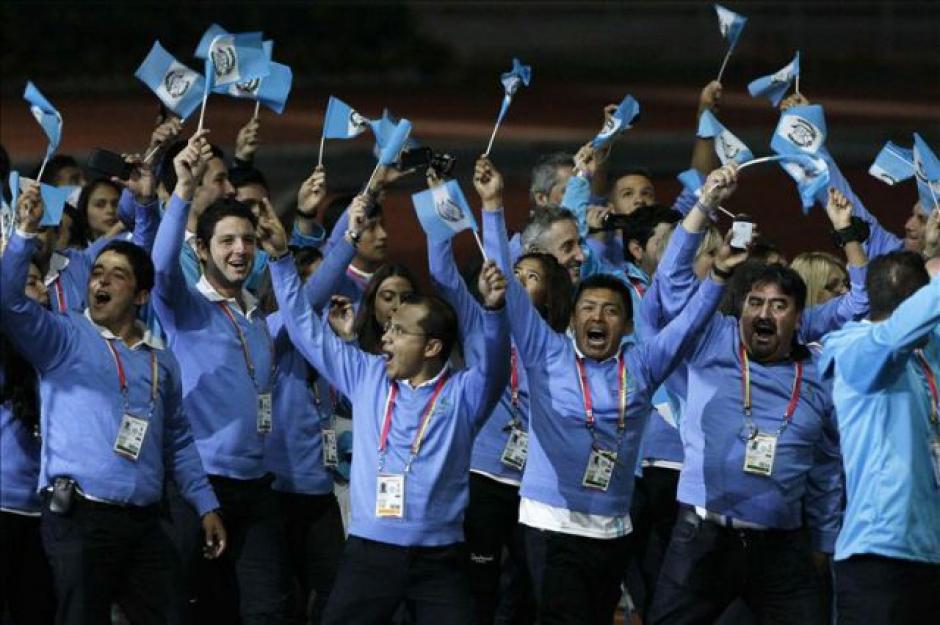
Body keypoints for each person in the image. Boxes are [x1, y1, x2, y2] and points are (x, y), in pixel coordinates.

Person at [478, 156, 741, 625]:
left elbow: (687, 325)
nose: (597, 317)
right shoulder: (546, 350)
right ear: (573, 316)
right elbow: (509, 285)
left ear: (626, 324)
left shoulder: (642, 363)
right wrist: (493, 205)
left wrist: (717, 276)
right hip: (551, 525)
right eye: (588, 308)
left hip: (614, 529)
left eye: (611, 310)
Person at [261, 194, 511, 624]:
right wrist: (282, 260)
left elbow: (497, 363)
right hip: (370, 554)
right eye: (388, 328)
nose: (386, 338)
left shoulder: (465, 393)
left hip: (439, 559)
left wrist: (495, 310)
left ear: (431, 347)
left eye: (400, 331)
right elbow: (304, 328)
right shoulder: (367, 374)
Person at [1, 182, 225, 625]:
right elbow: (8, 302)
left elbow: (178, 440)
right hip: (79, 518)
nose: (100, 280)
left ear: (141, 296)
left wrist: (206, 504)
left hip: (143, 521)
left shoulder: (162, 360)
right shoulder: (62, 336)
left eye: (117, 275)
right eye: (97, 271)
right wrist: (24, 234)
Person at [646, 166, 844, 625]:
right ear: (740, 310)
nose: (764, 314)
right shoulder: (713, 338)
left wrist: (823, 541)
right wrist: (705, 204)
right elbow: (671, 283)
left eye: (778, 305)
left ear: (798, 317)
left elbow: (827, 468)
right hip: (703, 536)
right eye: (755, 303)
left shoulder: (818, 374)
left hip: (783, 545)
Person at [151, 131, 293, 623]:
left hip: (255, 487)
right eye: (227, 241)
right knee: (180, 607)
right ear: (203, 249)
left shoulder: (256, 318)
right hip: (195, 484)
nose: (240, 250)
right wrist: (183, 192)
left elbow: (307, 304)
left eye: (248, 241)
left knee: (265, 609)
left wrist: (288, 254)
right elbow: (160, 269)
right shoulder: (185, 309)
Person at [426, 169, 574, 625]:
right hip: (482, 477)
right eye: (516, 272)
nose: (517, 280)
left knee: (529, 594)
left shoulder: (559, 345)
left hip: (535, 488)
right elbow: (441, 271)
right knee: (480, 588)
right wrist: (437, 204)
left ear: (549, 293)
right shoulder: (478, 320)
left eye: (531, 277)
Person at [820, 252, 940, 625]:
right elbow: (894, 335)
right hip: (877, 554)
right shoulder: (855, 348)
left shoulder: (927, 354)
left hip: (930, 553)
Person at [259, 244, 345, 625]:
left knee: (334, 595)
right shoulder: (269, 332)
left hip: (320, 490)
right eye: (308, 282)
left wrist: (346, 340)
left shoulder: (323, 344)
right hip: (277, 490)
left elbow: (352, 402)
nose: (322, 294)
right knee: (282, 601)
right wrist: (349, 236)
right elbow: (302, 304)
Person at [0, 260, 55, 625]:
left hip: (43, 512)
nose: (44, 290)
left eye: (43, 281)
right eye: (32, 282)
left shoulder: (58, 351)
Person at [76, 177, 122, 243]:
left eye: (116, 204)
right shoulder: (72, 247)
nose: (110, 210)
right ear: (85, 210)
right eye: (100, 205)